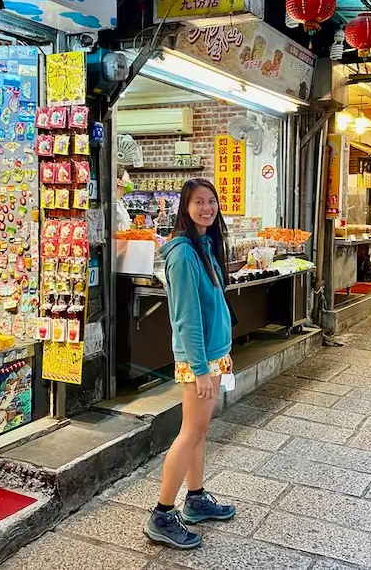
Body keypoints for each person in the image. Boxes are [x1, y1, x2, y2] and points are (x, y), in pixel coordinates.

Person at [144, 178, 236, 550]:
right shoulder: (182, 254)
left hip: (213, 356)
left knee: (199, 432)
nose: (206, 208)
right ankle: (162, 514)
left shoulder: (205, 246)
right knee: (189, 433)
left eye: (211, 201)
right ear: (185, 207)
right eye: (198, 202)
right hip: (198, 360)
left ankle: (195, 499)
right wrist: (200, 370)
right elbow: (186, 318)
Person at [116, 166, 134, 232]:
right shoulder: (114, 205)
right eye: (128, 179)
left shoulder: (120, 202)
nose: (131, 183)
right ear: (119, 181)